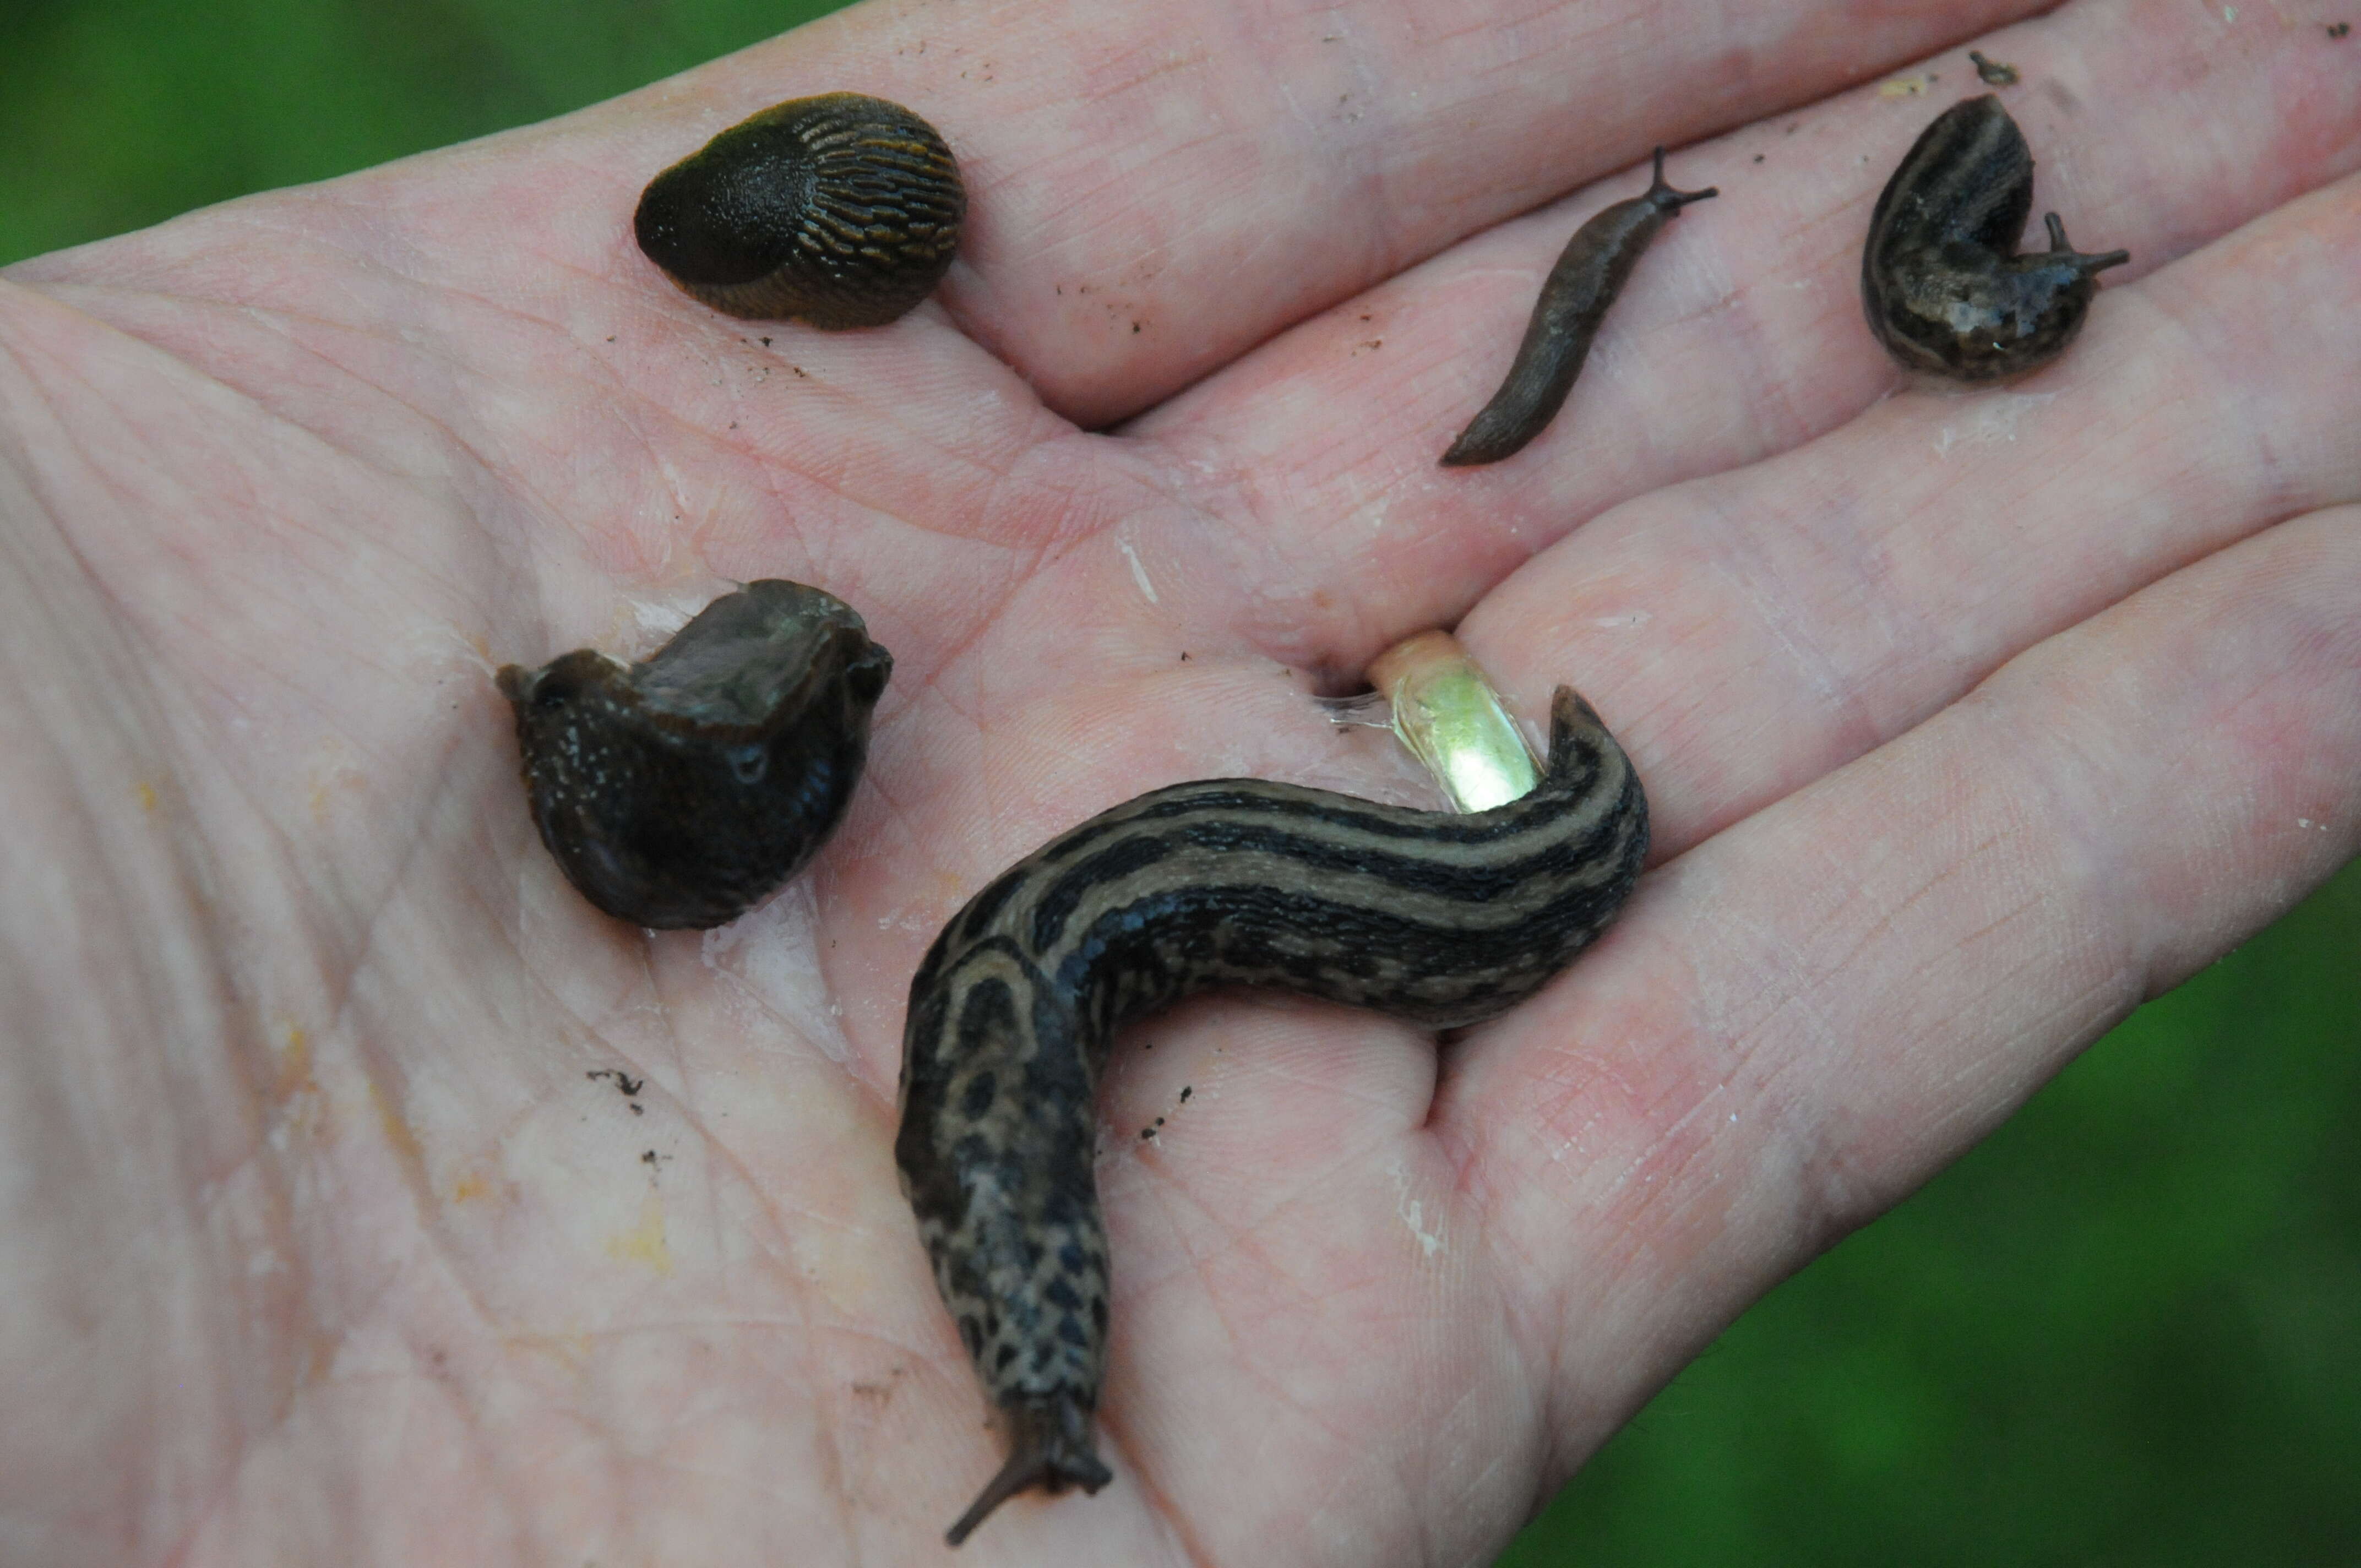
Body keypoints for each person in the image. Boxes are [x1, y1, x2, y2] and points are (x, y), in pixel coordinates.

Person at [2, 1, 2354, 1560]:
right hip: (1413, 835)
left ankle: (1058, 1368)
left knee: (1156, 933)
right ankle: (1048, 1385)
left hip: (1409, 844)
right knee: (1171, 940)